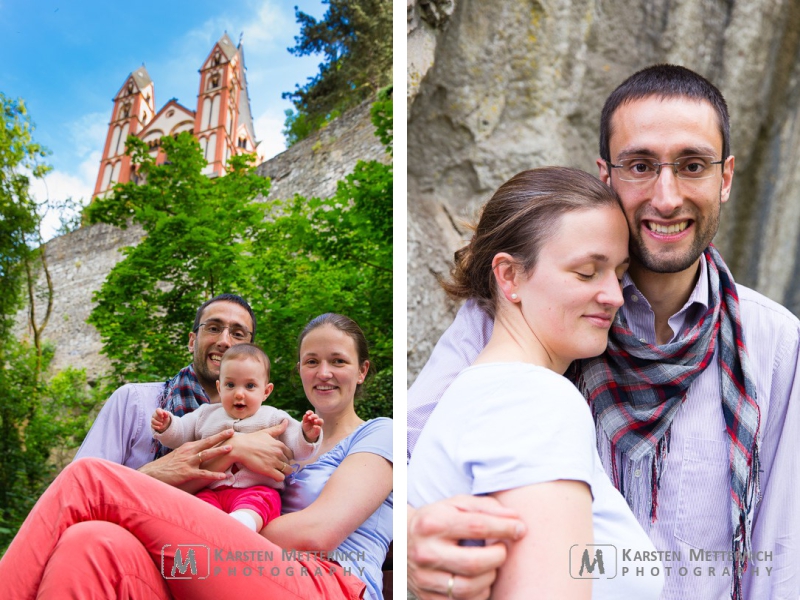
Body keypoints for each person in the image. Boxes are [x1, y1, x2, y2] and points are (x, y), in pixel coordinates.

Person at [407, 64, 800, 600]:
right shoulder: (509, 321)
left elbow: (782, 555)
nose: (666, 197)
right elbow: (415, 459)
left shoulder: (776, 345)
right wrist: (408, 540)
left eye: (692, 165)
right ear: (606, 174)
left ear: (725, 177)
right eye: (641, 165)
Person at [0, 313, 393, 600]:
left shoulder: (379, 433)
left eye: (338, 361)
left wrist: (209, 529)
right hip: (234, 574)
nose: (323, 372)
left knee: (88, 479)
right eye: (312, 361)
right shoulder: (278, 434)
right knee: (91, 542)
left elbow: (316, 534)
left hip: (326, 583)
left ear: (362, 371)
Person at [408, 167, 663, 599]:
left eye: (618, 274)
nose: (616, 296)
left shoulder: (488, 393)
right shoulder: (532, 400)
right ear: (509, 276)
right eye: (586, 272)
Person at [74, 293, 294, 491]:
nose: (224, 341)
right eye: (214, 328)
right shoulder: (134, 402)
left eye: (238, 334)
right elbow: (80, 487)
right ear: (192, 341)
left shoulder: (269, 424)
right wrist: (153, 473)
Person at [151, 343, 324, 532]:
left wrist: (307, 434)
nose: (239, 393)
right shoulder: (205, 415)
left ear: (266, 391)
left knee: (264, 501)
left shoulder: (274, 417)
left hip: (255, 489)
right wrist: (168, 426)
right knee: (197, 506)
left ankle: (242, 526)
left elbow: (297, 447)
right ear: (219, 387)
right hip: (210, 489)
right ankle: (205, 531)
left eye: (250, 386)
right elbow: (180, 434)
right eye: (230, 385)